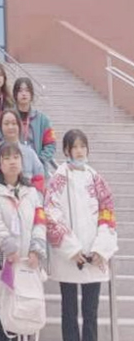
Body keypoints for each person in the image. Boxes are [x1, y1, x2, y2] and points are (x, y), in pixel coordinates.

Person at [45, 130, 118, 341]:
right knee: (69, 310)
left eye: (82, 146)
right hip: (69, 255)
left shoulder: (96, 179)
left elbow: (107, 213)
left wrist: (101, 248)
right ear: (66, 150)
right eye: (75, 147)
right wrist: (70, 248)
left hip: (94, 254)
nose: (79, 151)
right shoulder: (58, 179)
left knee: (90, 311)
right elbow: (51, 214)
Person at [0, 142, 47, 341]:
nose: (12, 162)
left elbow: (40, 221)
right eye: (7, 158)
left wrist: (36, 249)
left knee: (24, 310)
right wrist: (9, 247)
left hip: (26, 262)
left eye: (16, 157)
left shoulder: (31, 192)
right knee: (0, 310)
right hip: (2, 261)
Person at [0, 110, 46, 193]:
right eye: (6, 124)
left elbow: (39, 178)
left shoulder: (30, 153)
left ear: (19, 126)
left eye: (14, 123)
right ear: (0, 127)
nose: (10, 127)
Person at [13, 77, 56, 170]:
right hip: (14, 168)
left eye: (27, 90)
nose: (24, 94)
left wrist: (39, 160)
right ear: (15, 94)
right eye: (20, 91)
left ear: (32, 94)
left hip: (37, 169)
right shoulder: (7, 117)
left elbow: (51, 144)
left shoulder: (43, 120)